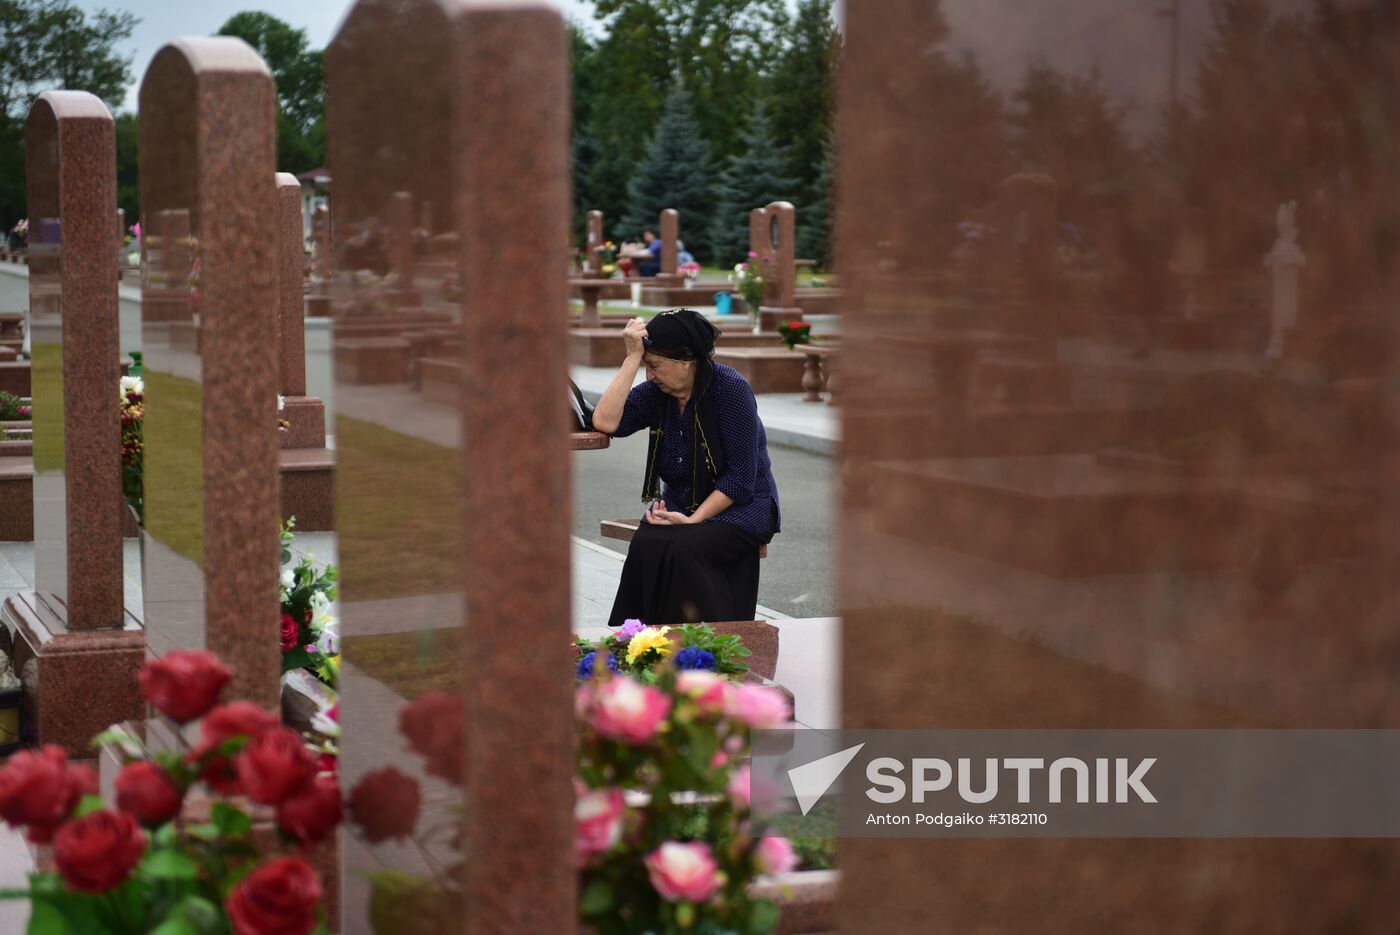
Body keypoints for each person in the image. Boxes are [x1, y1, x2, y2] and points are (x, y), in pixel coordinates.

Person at [592, 309, 780, 626]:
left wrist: (693, 520)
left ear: (686, 362)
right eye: (646, 366)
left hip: (743, 507)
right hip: (681, 504)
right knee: (647, 542)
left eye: (654, 366)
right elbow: (607, 422)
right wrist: (631, 360)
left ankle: (708, 642)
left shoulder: (730, 389)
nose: (649, 376)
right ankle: (642, 640)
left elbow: (740, 479)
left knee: (686, 545)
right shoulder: (658, 393)